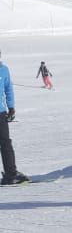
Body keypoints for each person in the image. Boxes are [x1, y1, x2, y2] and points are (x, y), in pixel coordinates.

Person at [0, 50, 29, 185]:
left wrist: (11, 107)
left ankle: (11, 174)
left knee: (6, 143)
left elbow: (8, 89)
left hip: (1, 112)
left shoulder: (4, 70)